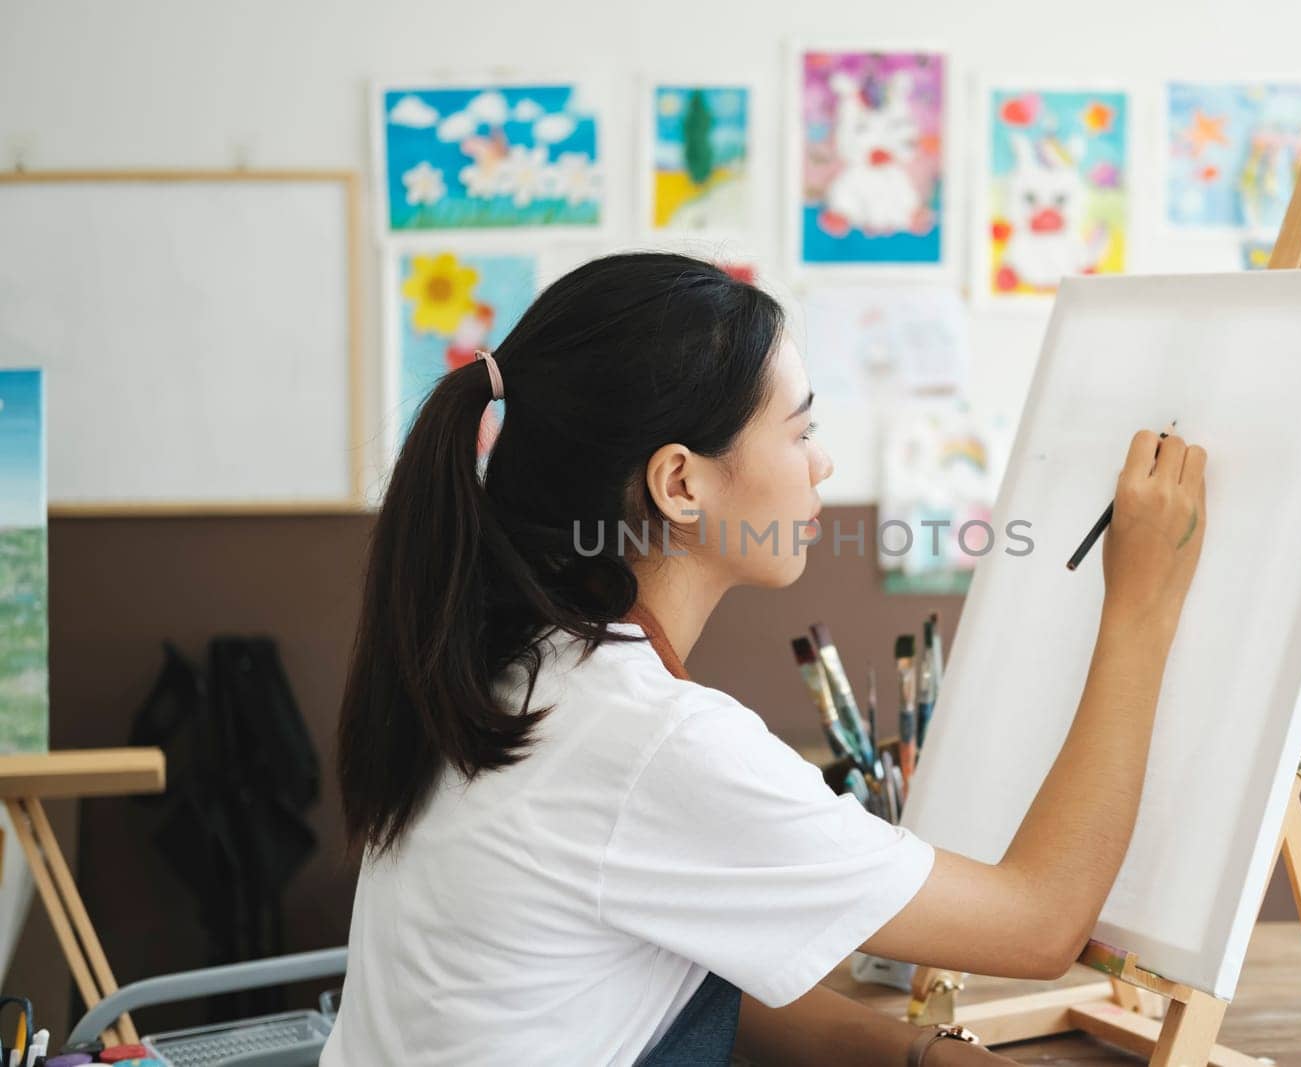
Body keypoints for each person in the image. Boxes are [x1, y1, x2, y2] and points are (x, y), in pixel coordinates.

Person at [323, 252, 1207, 1066]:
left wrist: (920, 1053)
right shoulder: (654, 745)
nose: (822, 464)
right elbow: (1040, 922)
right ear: (681, 483)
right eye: (800, 429)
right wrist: (1141, 603)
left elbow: (677, 964)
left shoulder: (511, 671)